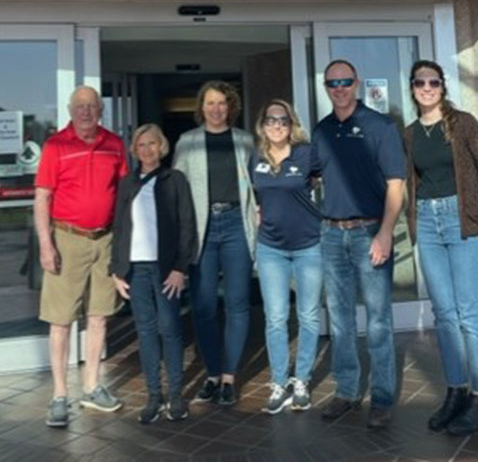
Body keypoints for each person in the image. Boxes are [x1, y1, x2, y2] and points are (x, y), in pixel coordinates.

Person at [403, 60, 478, 436]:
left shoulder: (464, 124)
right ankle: (456, 391)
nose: (426, 87)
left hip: (465, 223)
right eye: (419, 82)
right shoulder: (410, 134)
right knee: (443, 313)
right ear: (412, 88)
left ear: (442, 87)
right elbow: (411, 180)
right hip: (427, 223)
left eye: (433, 82)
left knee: (470, 312)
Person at [312, 59, 406, 429]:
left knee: (379, 320)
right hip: (332, 234)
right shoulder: (321, 132)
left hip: (370, 233)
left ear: (357, 83)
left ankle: (382, 397)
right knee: (340, 318)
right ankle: (347, 391)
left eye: (346, 81)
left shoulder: (380, 126)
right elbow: (311, 178)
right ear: (326, 87)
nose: (340, 88)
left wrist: (385, 232)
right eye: (333, 82)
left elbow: (396, 184)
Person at [34, 86, 129, 428]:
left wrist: (123, 243)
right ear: (70, 110)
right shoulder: (56, 145)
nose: (86, 111)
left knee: (99, 316)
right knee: (61, 320)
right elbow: (42, 198)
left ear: (100, 109)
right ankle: (60, 396)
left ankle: (92, 386)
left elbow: (123, 195)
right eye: (80, 106)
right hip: (67, 238)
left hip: (105, 239)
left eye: (91, 106)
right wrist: (47, 245)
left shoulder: (115, 144)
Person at [172, 80, 256, 406]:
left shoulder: (245, 141)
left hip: (236, 224)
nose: (216, 109)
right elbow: (177, 192)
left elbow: (257, 182)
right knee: (204, 306)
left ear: (230, 106)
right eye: (210, 103)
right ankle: (212, 372)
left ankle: (229, 378)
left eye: (222, 102)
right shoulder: (187, 142)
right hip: (202, 228)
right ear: (201, 107)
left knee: (237, 304)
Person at [109, 124, 198, 424]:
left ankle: (175, 395)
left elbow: (187, 225)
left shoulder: (175, 180)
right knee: (145, 332)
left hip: (165, 270)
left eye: (152, 144)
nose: (146, 149)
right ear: (134, 150)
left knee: (170, 330)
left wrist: (179, 268)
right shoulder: (126, 184)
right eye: (140, 145)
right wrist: (116, 270)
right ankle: (153, 397)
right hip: (135, 270)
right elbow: (119, 228)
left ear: (161, 147)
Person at [250, 100, 323, 414]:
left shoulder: (307, 154)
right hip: (271, 248)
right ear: (263, 124)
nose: (277, 125)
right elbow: (255, 194)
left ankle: (302, 380)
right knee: (276, 318)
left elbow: (328, 180)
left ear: (292, 124)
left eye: (282, 120)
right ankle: (279, 381)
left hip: (308, 245)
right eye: (271, 119)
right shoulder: (256, 156)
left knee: (308, 316)